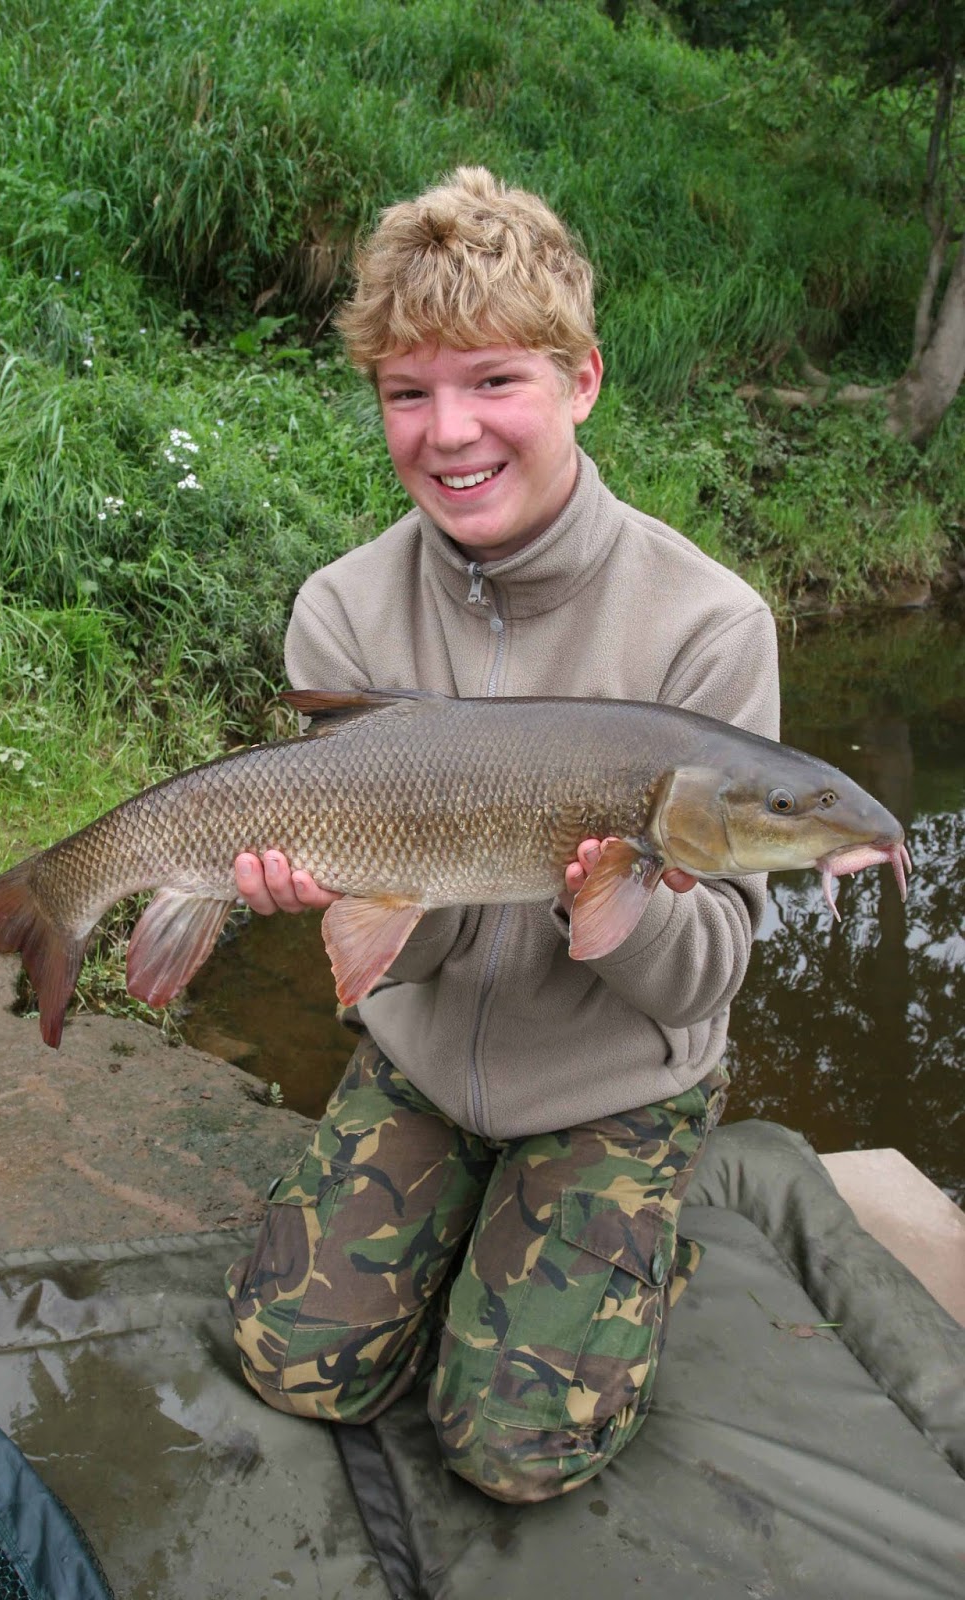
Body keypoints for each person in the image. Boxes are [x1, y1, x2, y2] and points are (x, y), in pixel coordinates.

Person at [225, 167, 779, 1504]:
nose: (447, 431)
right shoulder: (344, 610)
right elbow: (390, 951)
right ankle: (463, 1211)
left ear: (579, 379)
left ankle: (632, 1234)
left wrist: (619, 914)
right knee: (291, 1365)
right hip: (423, 1063)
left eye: (491, 383)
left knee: (513, 1451)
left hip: (612, 1081)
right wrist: (328, 900)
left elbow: (714, 965)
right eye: (406, 394)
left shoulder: (707, 627)